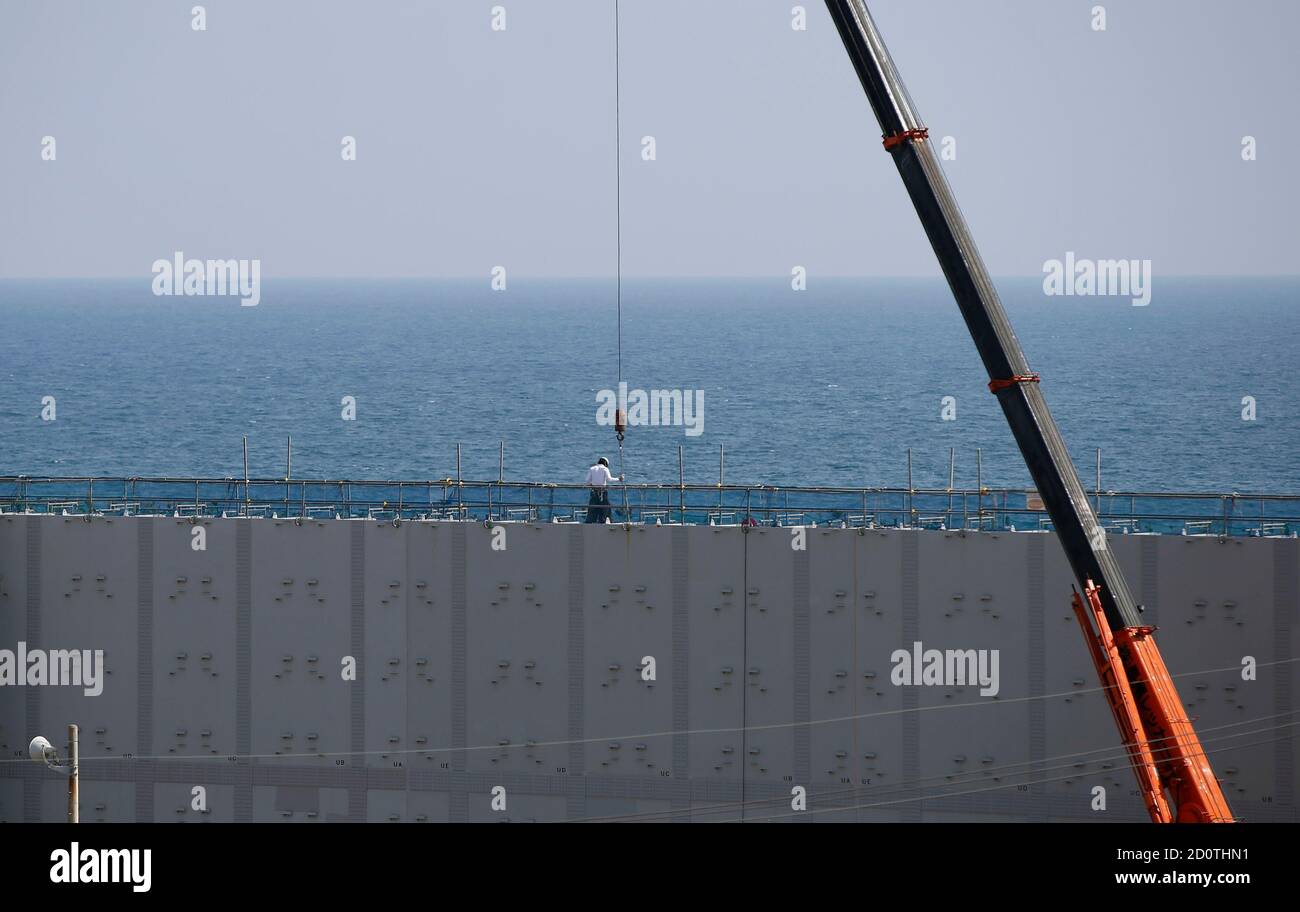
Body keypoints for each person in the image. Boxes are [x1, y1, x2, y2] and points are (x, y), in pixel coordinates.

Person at [585, 456, 622, 523]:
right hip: (603, 491)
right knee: (606, 506)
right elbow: (609, 479)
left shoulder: (592, 468)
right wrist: (618, 479)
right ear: (606, 463)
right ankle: (605, 520)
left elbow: (587, 481)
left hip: (594, 491)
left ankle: (590, 521)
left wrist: (591, 484)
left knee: (593, 507)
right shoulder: (605, 469)